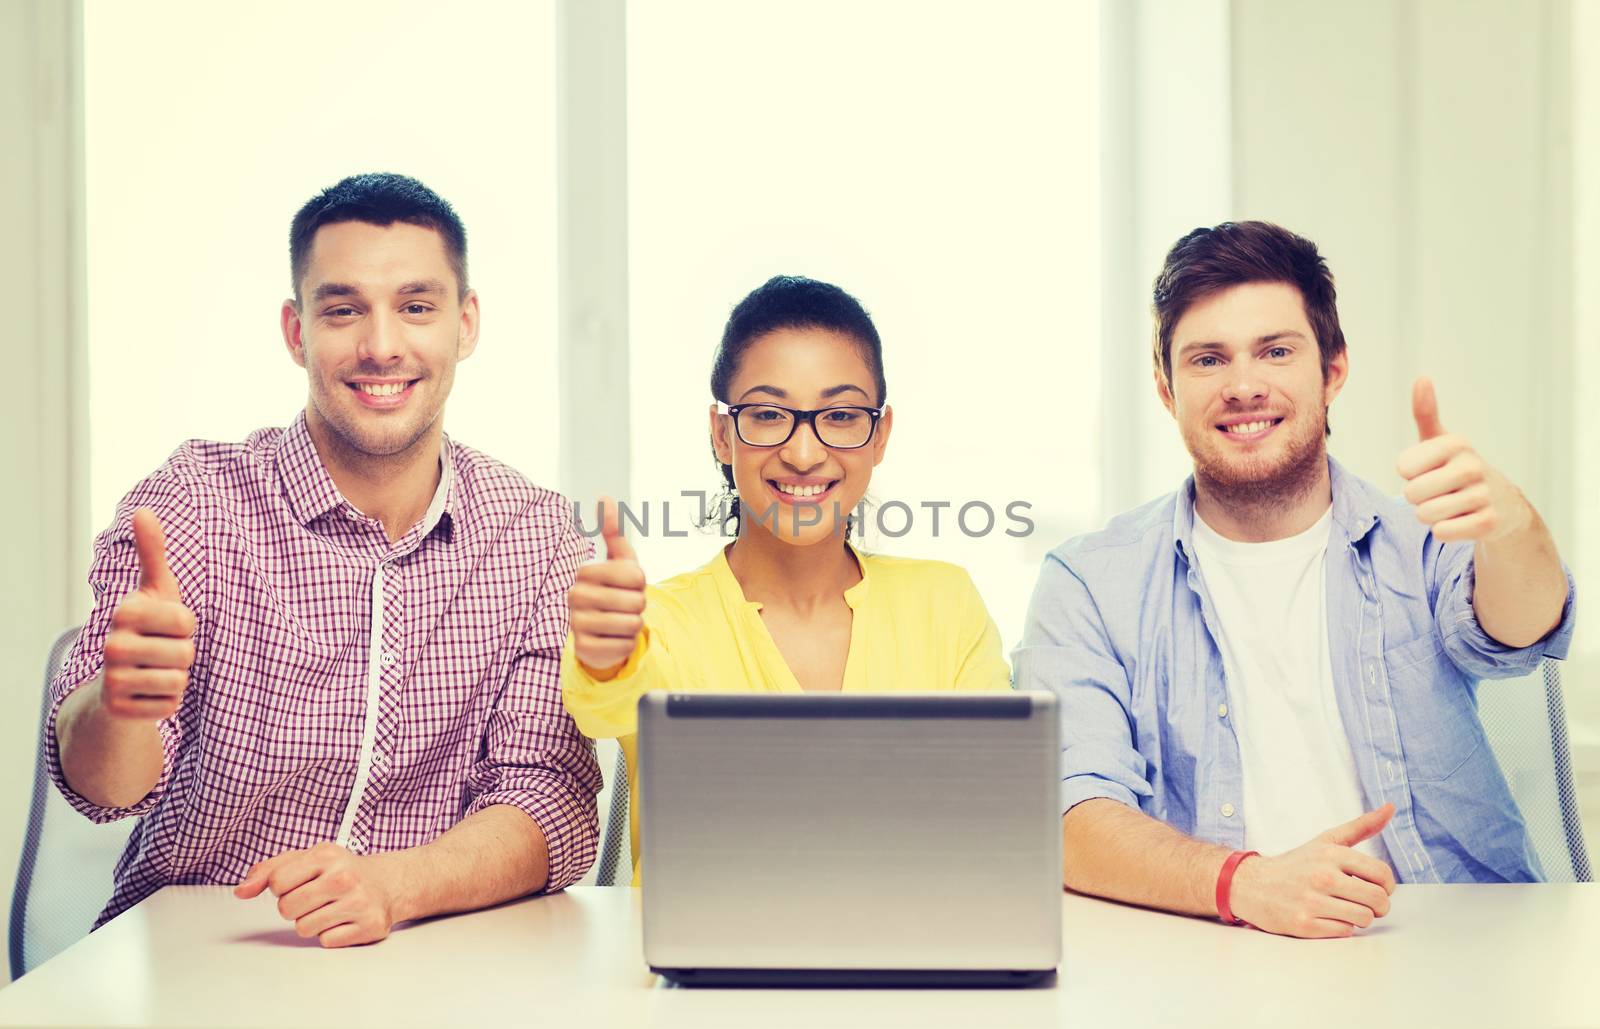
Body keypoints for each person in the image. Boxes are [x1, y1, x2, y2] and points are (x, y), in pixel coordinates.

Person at [48, 173, 600, 947]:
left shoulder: (538, 537)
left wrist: (393, 885)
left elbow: (552, 803)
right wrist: (119, 703)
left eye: (416, 306)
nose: (381, 346)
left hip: (437, 962)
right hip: (203, 962)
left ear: (465, 323)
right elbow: (99, 789)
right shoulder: (194, 506)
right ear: (296, 329)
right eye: (343, 309)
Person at [1015, 221, 1574, 938]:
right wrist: (1242, 882)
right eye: (1208, 359)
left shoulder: (1423, 541)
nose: (1244, 386)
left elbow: (1521, 628)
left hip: (1449, 944)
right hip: (1213, 951)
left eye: (1276, 351)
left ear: (1332, 368)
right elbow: (1069, 814)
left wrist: (1512, 526)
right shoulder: (1088, 583)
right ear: (1166, 387)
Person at [562, 275, 1011, 883]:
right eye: (770, 414)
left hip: (910, 963)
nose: (804, 453)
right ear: (722, 433)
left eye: (842, 415)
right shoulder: (660, 623)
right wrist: (604, 654)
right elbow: (602, 703)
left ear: (879, 435)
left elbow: (993, 819)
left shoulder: (946, 604)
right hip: (708, 969)